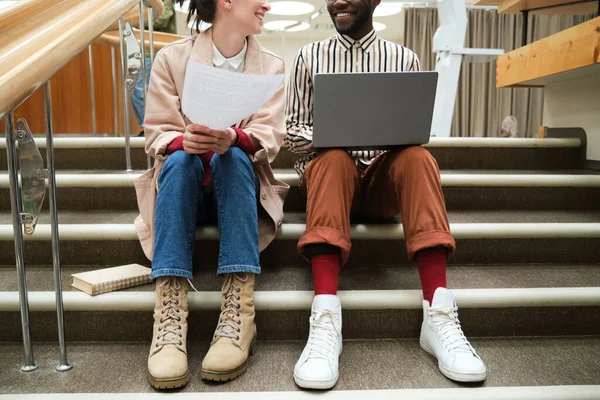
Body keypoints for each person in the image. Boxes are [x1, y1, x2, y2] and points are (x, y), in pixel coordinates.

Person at [284, 0, 486, 390]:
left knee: (417, 157)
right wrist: (338, 137)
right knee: (332, 159)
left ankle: (438, 314)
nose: (338, 2)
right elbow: (293, 132)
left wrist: (377, 137)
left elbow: (411, 131)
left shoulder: (403, 58)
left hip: (381, 182)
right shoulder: (308, 56)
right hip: (330, 180)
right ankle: (325, 317)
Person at [134, 0, 287, 389]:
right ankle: (168, 314)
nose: (267, 5)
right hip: (181, 190)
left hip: (237, 193)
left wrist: (233, 138)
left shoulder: (271, 65)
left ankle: (239, 311)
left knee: (235, 156)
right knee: (180, 161)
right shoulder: (172, 58)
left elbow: (270, 135)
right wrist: (185, 140)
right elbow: (156, 132)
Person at [131, 0, 178, 133]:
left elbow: (163, 18)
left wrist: (139, 21)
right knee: (139, 89)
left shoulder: (164, 2)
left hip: (158, 50)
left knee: (149, 89)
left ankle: (152, 127)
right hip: (144, 50)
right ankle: (148, 127)